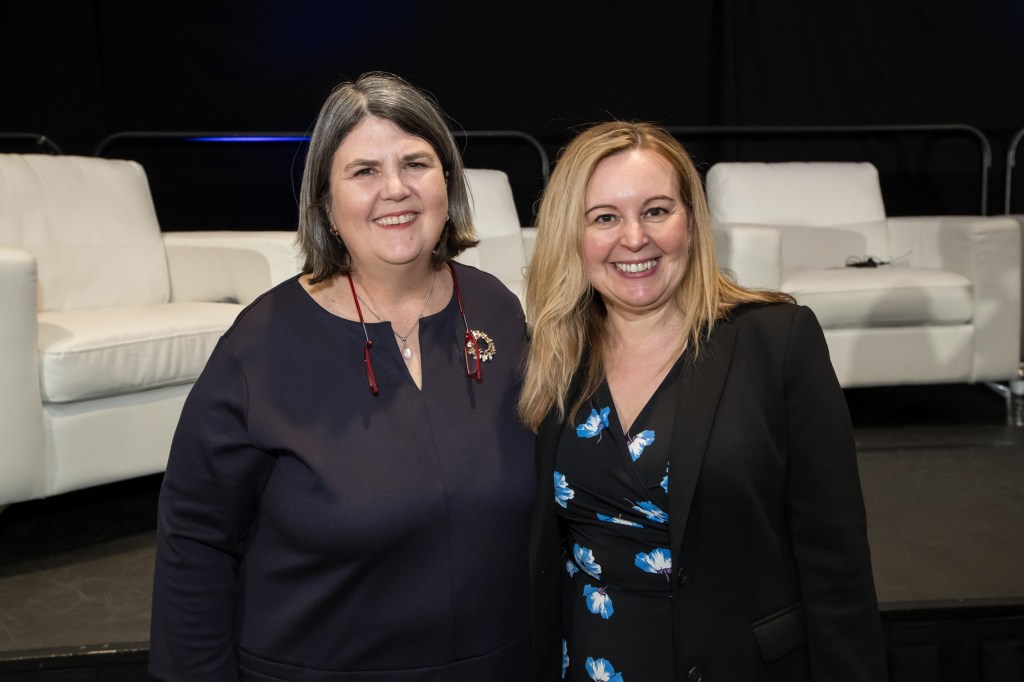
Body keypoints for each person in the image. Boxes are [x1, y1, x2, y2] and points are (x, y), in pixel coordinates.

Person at [149, 72, 535, 681]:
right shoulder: (261, 343)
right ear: (326, 203)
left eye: (416, 163)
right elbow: (195, 539)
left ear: (448, 182)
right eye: (364, 171)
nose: (396, 189)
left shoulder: (497, 310)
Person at [520, 121, 887, 681]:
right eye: (605, 218)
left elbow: (836, 561)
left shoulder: (776, 341)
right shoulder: (553, 356)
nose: (635, 238)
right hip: (591, 662)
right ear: (572, 235)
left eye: (656, 211)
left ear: (691, 222)